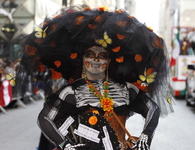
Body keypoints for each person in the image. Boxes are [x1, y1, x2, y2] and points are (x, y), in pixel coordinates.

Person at [17, 4, 174, 150]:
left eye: (102, 56)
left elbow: (152, 109)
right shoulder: (71, 92)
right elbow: (44, 119)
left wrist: (146, 135)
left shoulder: (126, 89)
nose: (96, 60)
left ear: (109, 61)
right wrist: (64, 145)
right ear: (84, 60)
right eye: (90, 55)